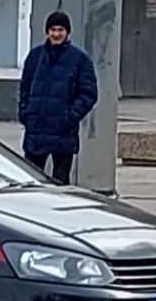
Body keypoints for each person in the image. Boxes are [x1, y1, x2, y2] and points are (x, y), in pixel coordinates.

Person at [18, 11, 98, 185]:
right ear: (47, 31)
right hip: (36, 131)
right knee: (32, 182)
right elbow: (25, 86)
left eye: (60, 29)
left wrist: (70, 116)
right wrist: (25, 113)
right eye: (53, 29)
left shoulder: (80, 59)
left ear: (67, 32)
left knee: (60, 185)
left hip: (63, 133)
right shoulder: (35, 56)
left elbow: (89, 93)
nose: (56, 34)